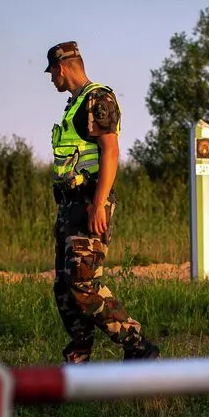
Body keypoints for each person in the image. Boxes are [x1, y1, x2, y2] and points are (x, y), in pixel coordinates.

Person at [44, 41, 160, 363]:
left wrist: (99, 204)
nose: (51, 79)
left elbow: (111, 150)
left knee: (83, 285)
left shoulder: (97, 98)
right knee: (65, 288)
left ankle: (138, 346)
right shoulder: (74, 104)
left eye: (52, 72)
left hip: (89, 203)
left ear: (62, 67)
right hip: (70, 207)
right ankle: (78, 357)